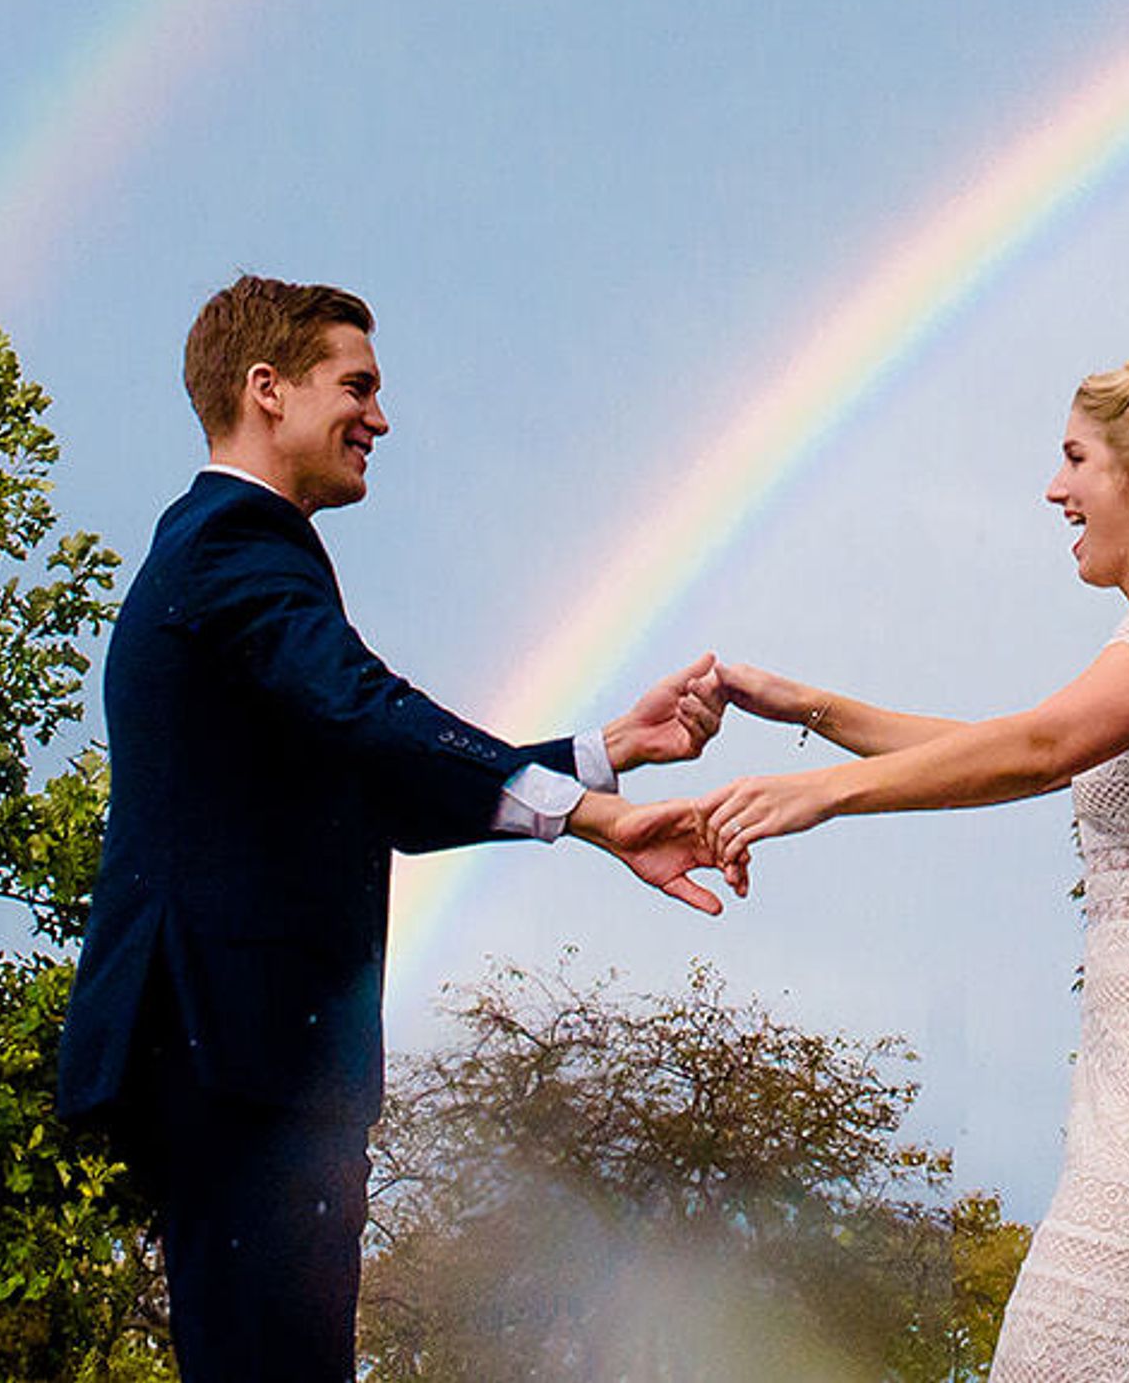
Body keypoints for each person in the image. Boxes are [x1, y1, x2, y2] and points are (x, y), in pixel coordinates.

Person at [54, 275, 733, 1383]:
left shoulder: (226, 552)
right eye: (357, 386)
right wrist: (595, 816)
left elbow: (380, 780)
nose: (380, 417)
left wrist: (610, 749)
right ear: (267, 389)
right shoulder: (234, 542)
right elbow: (366, 709)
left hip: (249, 1058)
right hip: (237, 1048)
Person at [693, 358, 1129, 1383]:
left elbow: (1039, 747)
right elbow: (1001, 742)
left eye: (1075, 459)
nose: (1055, 489)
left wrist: (820, 794)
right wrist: (807, 707)